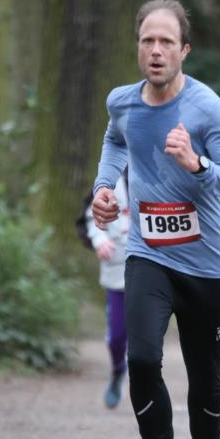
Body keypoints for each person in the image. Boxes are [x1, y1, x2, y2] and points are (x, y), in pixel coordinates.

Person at [91, 0, 220, 439]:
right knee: (140, 360)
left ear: (184, 50)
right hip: (147, 256)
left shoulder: (207, 108)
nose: (155, 51)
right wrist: (104, 190)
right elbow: (115, 144)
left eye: (166, 42)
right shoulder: (122, 103)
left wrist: (197, 164)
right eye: (146, 41)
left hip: (206, 267)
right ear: (137, 47)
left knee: (205, 383)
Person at [86, 173, 130, 408]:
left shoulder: (159, 178)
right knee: (116, 337)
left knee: (146, 337)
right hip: (117, 272)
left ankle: (146, 385)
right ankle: (117, 370)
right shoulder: (109, 183)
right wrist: (100, 240)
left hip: (153, 270)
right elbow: (93, 219)